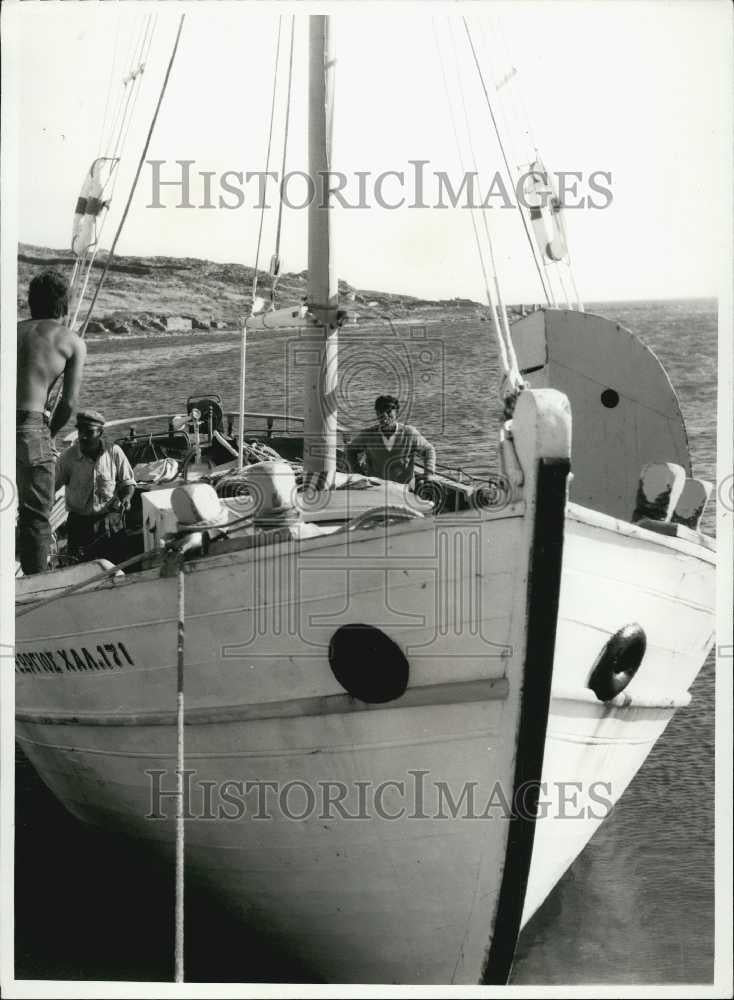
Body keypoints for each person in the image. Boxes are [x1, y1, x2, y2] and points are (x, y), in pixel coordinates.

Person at [16, 270, 86, 574]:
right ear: (65, 306)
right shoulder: (70, 341)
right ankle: (35, 588)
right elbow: (69, 403)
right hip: (31, 429)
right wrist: (50, 433)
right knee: (34, 517)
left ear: (31, 303)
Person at [55, 409, 136, 563]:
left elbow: (128, 483)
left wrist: (126, 498)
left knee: (117, 567)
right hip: (79, 525)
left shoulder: (114, 452)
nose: (83, 436)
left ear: (100, 432)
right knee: (79, 570)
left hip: (110, 522)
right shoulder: (67, 458)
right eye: (80, 431)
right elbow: (51, 488)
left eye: (89, 432)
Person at [345, 394, 436, 486]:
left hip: (404, 490)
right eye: (381, 412)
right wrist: (359, 474)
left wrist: (428, 474)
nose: (385, 416)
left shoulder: (409, 433)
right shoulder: (368, 435)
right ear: (377, 414)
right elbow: (350, 450)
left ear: (397, 413)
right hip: (375, 489)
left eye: (389, 412)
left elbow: (428, 450)